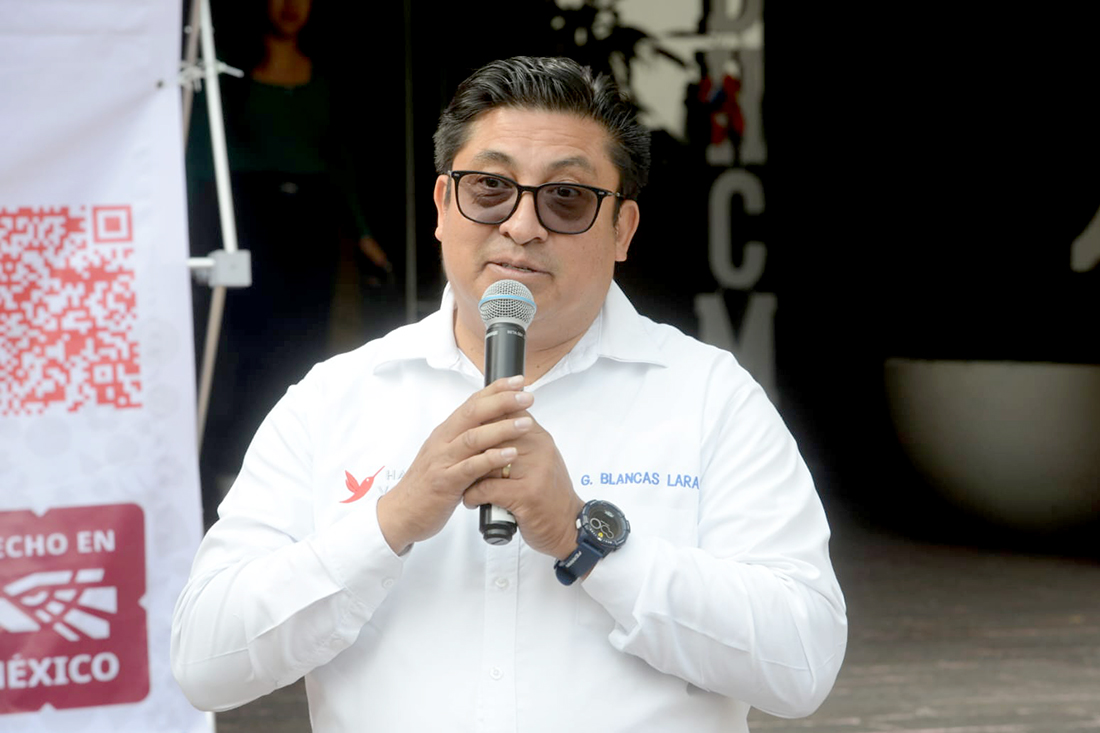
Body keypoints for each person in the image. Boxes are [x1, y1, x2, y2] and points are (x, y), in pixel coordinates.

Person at [172, 56, 847, 732]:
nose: (522, 225)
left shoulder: (708, 396)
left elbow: (802, 663)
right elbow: (204, 660)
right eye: (490, 187)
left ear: (622, 230)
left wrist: (585, 536)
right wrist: (390, 521)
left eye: (567, 197)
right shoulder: (337, 397)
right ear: (443, 206)